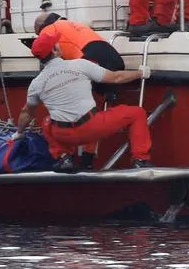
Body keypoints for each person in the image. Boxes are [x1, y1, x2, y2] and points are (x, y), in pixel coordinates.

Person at [14, 39, 151, 172]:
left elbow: (26, 113)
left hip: (63, 135)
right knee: (137, 113)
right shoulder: (80, 65)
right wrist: (140, 73)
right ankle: (140, 159)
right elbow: (116, 77)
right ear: (55, 51)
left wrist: (19, 133)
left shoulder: (36, 84)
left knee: (46, 122)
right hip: (91, 127)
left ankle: (64, 158)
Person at [31, 11, 123, 71]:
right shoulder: (71, 23)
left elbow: (43, 51)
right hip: (111, 54)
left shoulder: (47, 30)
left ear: (39, 27)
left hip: (89, 57)